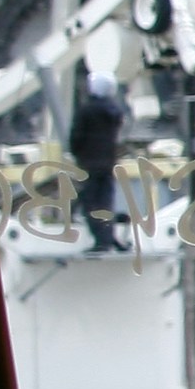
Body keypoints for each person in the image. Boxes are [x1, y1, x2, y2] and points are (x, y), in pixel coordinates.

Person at [69, 61, 130, 252]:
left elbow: (76, 137)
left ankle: (101, 241)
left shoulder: (87, 111)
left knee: (90, 202)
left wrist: (76, 152)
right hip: (108, 162)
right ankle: (111, 238)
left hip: (89, 162)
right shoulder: (114, 112)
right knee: (105, 202)